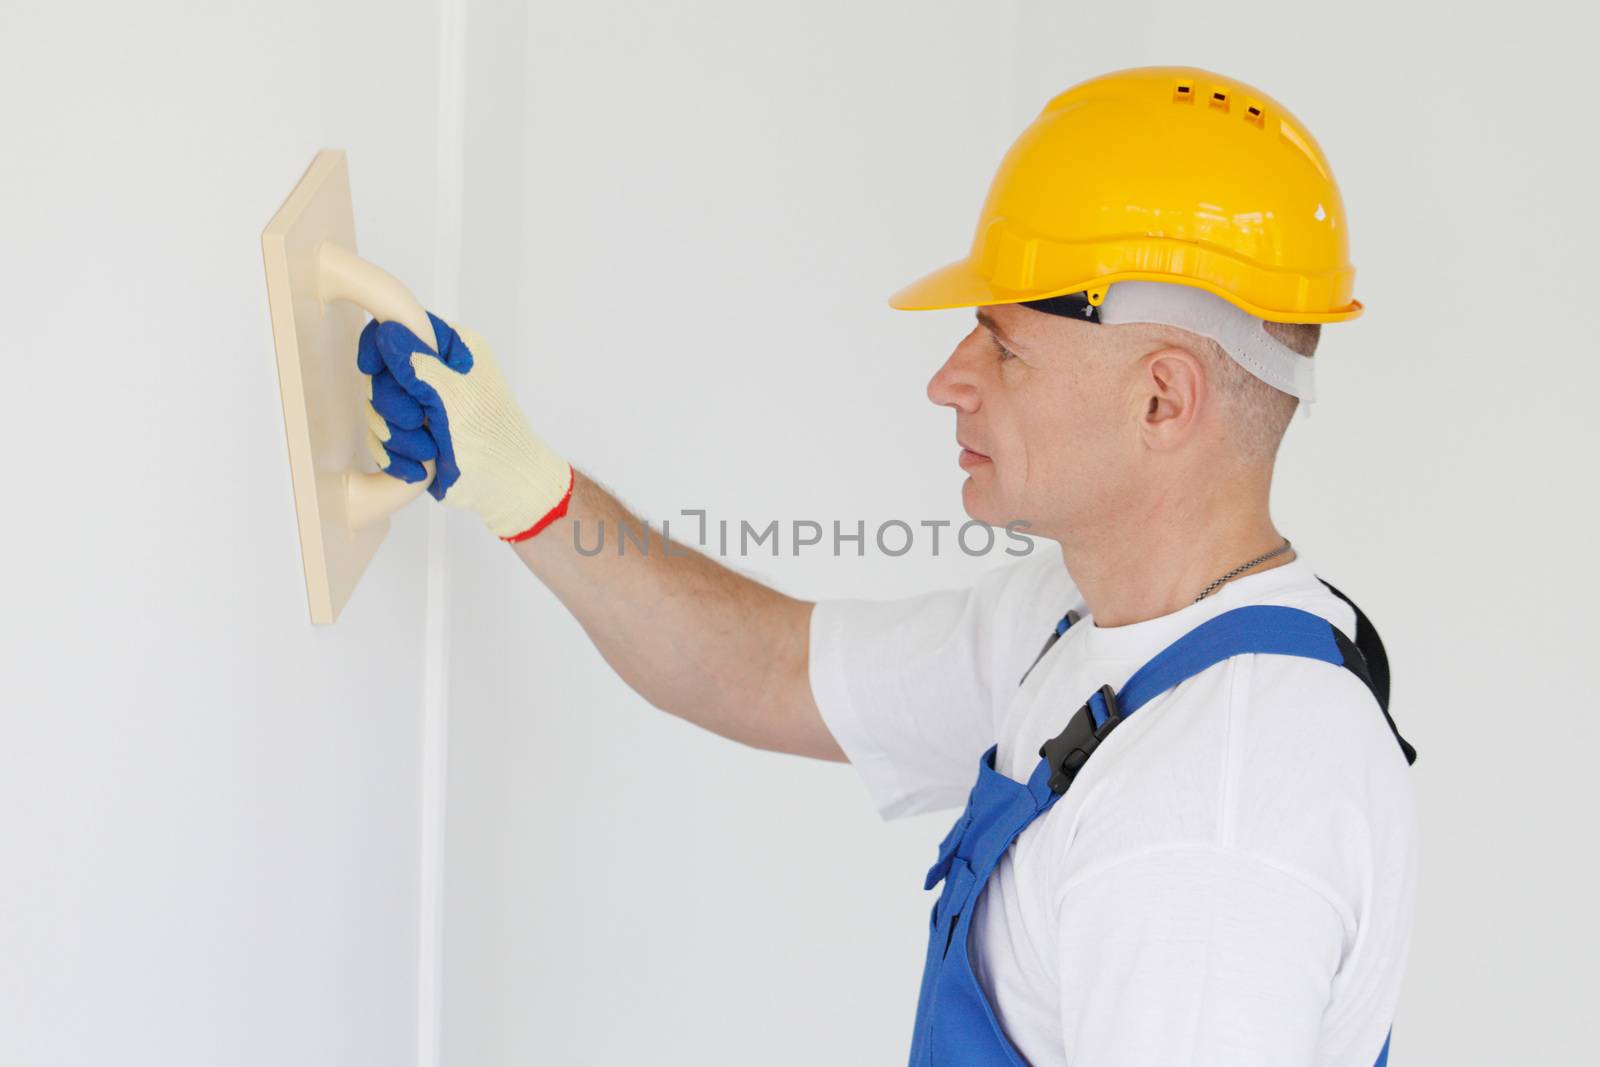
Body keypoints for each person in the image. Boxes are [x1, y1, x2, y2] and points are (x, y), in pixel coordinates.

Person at [359, 66, 1417, 1067]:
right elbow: (768, 669)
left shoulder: (1212, 821)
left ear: (1162, 398)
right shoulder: (1081, 623)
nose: (947, 382)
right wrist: (523, 484)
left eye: (1002, 345)